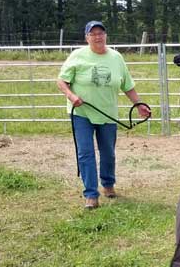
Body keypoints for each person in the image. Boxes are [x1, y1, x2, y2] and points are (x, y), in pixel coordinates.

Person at [57, 21, 151, 209]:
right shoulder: (77, 56)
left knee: (108, 152)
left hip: (107, 113)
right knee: (86, 152)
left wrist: (138, 104)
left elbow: (127, 85)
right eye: (93, 34)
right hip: (82, 112)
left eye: (101, 33)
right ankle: (91, 194)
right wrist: (71, 96)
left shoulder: (116, 58)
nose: (98, 37)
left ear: (106, 36)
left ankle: (108, 183)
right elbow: (61, 80)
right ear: (87, 38)